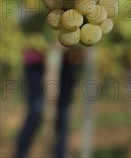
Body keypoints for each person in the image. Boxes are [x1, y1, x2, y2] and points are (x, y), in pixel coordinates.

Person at [14, 11, 82, 158]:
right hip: (36, 60)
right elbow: (22, 18)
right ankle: (20, 153)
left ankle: (60, 153)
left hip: (67, 60)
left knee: (63, 113)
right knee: (37, 109)